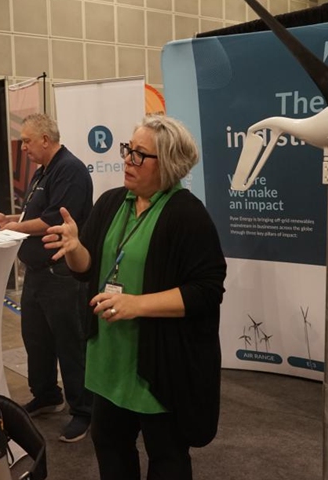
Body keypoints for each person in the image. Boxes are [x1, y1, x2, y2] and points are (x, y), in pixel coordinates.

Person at [43, 115, 227, 479]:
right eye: (129, 149)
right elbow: (87, 268)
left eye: (140, 154)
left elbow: (206, 291)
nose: (128, 159)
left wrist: (136, 305)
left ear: (169, 165)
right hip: (110, 357)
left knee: (167, 454)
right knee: (110, 446)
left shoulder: (187, 215)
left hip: (158, 362)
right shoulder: (113, 202)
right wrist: (75, 247)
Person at [0, 113, 94, 443]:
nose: (25, 148)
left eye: (28, 141)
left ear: (46, 139)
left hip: (60, 274)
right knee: (37, 339)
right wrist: (10, 218)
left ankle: (84, 411)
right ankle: (47, 394)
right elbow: (34, 213)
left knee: (69, 344)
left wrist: (14, 228)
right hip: (37, 273)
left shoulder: (70, 170)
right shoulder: (44, 172)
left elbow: (54, 220)